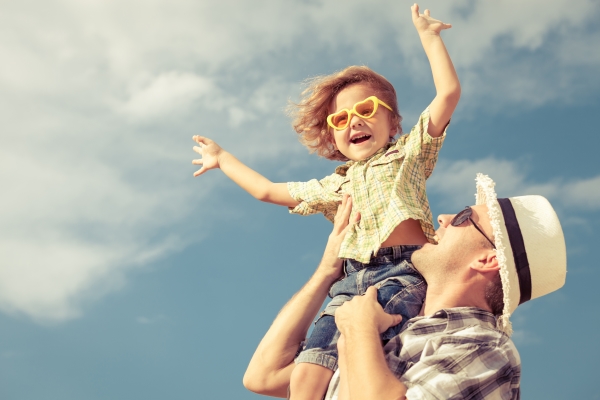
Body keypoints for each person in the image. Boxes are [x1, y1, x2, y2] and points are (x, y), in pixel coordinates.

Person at [192, 5, 459, 399]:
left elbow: (448, 94)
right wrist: (222, 158)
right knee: (305, 376)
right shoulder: (334, 186)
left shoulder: (407, 155)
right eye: (341, 119)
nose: (355, 122)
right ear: (333, 136)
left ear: (394, 124)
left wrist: (429, 37)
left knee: (363, 354)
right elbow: (266, 190)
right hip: (348, 284)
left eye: (366, 110)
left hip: (403, 272)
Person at [243, 174, 567, 400]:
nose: (443, 217)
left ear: (487, 260)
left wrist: (358, 330)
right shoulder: (393, 322)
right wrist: (327, 271)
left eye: (464, 217)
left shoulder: (484, 347)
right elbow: (264, 376)